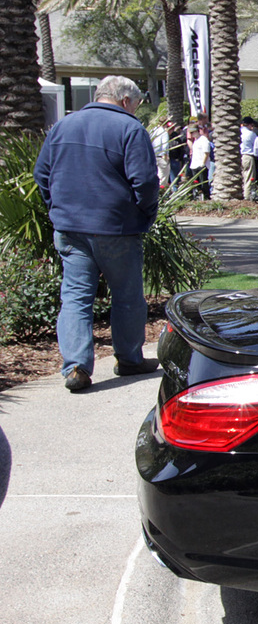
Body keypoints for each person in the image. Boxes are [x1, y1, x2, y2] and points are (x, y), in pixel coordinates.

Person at [32, 75, 160, 392]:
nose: (136, 111)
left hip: (71, 227)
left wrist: (57, 208)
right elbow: (144, 181)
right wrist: (146, 212)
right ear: (126, 101)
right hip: (117, 227)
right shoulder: (130, 129)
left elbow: (42, 174)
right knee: (127, 297)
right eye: (137, 105)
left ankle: (76, 365)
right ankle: (129, 359)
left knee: (75, 297)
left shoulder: (63, 126)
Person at [188, 122, 212, 199]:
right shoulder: (196, 141)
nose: (192, 134)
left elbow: (206, 152)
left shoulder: (203, 139)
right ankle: (198, 197)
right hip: (194, 165)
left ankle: (206, 197)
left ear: (197, 131)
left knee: (203, 183)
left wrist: (203, 163)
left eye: (193, 132)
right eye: (190, 133)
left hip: (201, 165)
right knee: (196, 184)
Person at [239, 117, 258, 199]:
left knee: (242, 176)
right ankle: (247, 196)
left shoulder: (238, 132)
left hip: (239, 156)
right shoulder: (251, 134)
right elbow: (255, 147)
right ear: (250, 124)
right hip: (248, 156)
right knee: (249, 177)